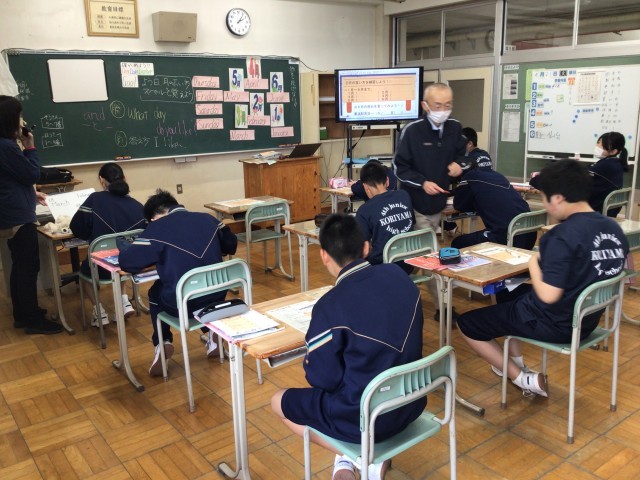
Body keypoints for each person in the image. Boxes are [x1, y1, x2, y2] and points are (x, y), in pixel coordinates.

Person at [271, 214, 424, 480]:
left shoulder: (330, 305)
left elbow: (321, 379)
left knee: (278, 401)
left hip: (364, 416)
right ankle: (355, 457)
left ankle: (361, 457)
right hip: (411, 402)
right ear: (366, 247)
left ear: (323, 255)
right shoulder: (397, 274)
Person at [457, 160, 628, 397]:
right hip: (587, 318)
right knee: (505, 289)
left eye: (545, 198)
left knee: (467, 324)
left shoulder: (562, 235)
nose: (546, 206)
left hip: (556, 322)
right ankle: (516, 360)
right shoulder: (613, 228)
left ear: (557, 198)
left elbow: (548, 295)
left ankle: (522, 378)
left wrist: (533, 264)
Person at [118, 189, 238, 376]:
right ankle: (212, 332)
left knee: (155, 292)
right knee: (197, 287)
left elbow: (127, 263)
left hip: (184, 305)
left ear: (155, 216)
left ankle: (162, 342)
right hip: (217, 297)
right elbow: (231, 245)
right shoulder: (209, 219)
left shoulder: (157, 228)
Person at [393, 82, 467, 319]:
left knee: (418, 255)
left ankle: (396, 290)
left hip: (439, 203)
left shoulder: (454, 127)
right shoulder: (412, 131)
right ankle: (443, 308)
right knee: (431, 255)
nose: (443, 110)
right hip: (416, 204)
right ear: (425, 106)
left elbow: (464, 156)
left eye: (448, 105)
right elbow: (399, 168)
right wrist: (422, 183)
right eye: (437, 105)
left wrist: (459, 165)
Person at [0, 95, 63, 334]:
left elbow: (11, 179)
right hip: (17, 217)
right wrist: (30, 147)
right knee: (27, 267)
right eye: (19, 117)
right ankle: (32, 320)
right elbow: (32, 174)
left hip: (11, 212)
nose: (22, 121)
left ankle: (22, 314)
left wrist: (30, 193)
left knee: (19, 265)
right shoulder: (6, 147)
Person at [70, 162, 145, 327]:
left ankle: (99, 312)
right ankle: (124, 301)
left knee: (85, 271)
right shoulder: (137, 206)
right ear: (124, 178)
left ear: (101, 180)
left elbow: (77, 228)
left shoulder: (94, 200)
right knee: (120, 253)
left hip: (100, 267)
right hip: (129, 264)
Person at [450, 160, 536, 251]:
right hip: (529, 238)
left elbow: (459, 205)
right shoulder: (497, 175)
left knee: (457, 243)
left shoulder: (469, 178)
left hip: (507, 238)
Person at [355, 161, 414, 274]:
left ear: (365, 187)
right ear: (387, 180)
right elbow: (410, 225)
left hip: (382, 266)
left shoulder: (364, 210)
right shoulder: (404, 195)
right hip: (409, 263)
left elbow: (364, 250)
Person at [589, 131, 628, 217]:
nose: (597, 146)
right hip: (609, 210)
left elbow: (585, 173)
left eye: (600, 144)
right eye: (598, 142)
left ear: (613, 151)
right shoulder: (615, 163)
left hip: (597, 209)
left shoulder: (607, 165)